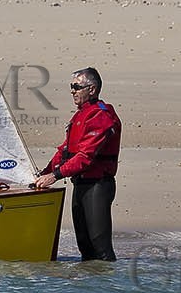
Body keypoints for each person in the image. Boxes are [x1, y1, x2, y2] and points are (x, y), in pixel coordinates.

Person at [33, 67, 121, 261]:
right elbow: (65, 151)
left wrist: (54, 176)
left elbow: (85, 157)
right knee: (85, 248)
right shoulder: (81, 115)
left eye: (77, 86)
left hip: (97, 186)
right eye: (71, 87)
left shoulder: (101, 116)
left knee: (101, 249)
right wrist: (44, 172)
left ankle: (107, 288)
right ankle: (87, 288)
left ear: (92, 89)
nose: (72, 91)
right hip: (80, 185)